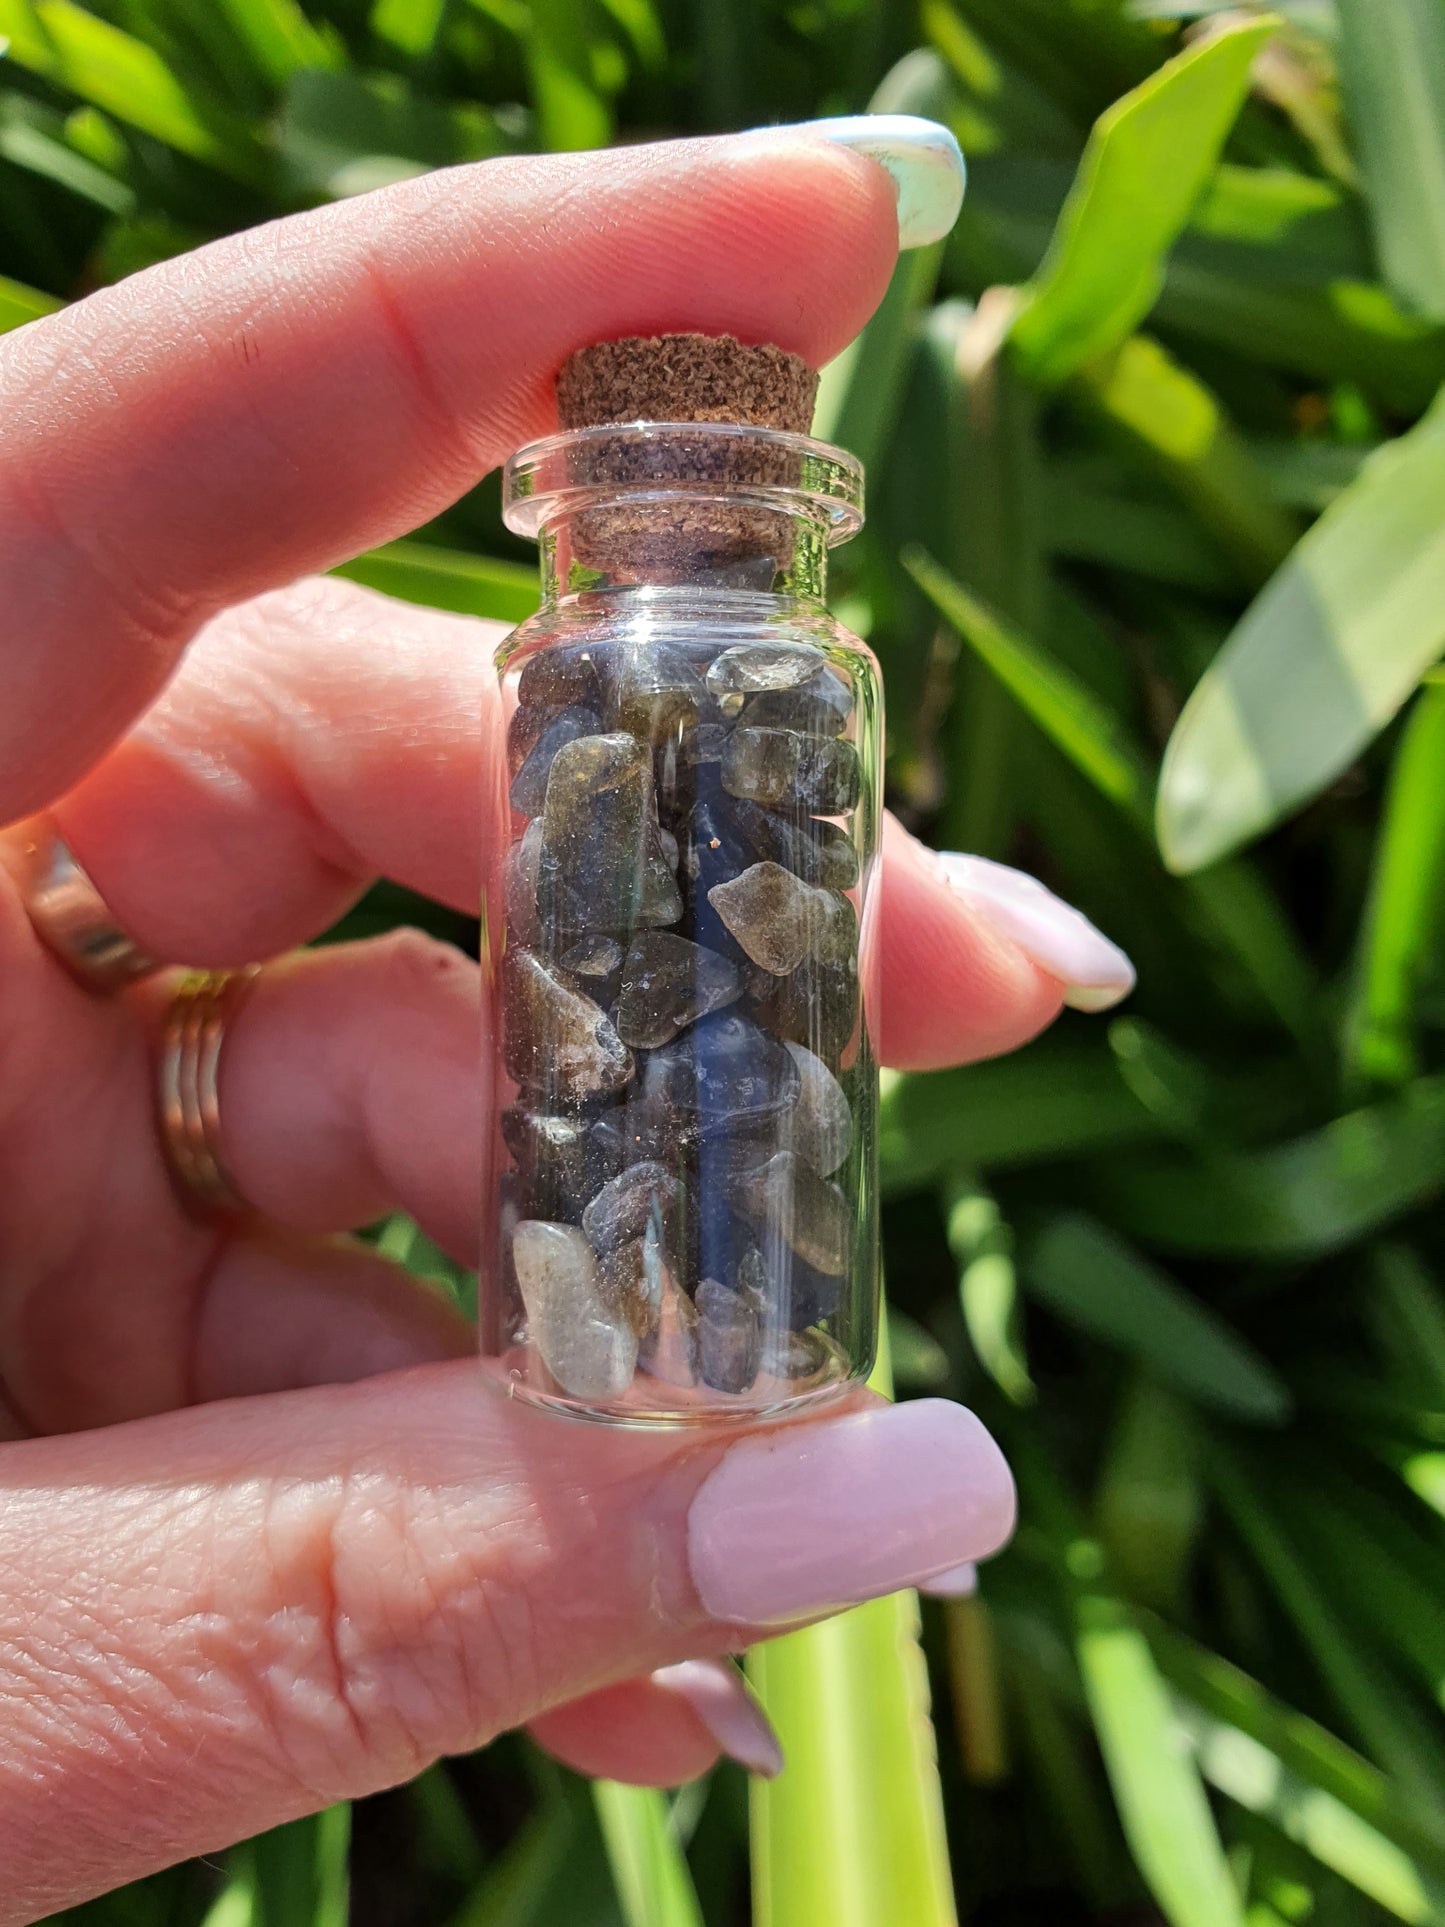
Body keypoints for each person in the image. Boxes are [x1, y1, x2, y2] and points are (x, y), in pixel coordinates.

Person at [0, 126, 1134, 1919]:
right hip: (580, 1332)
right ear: (569, 515)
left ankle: (696, 1352)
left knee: (742, 1136)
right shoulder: (565, 674)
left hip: (712, 1306)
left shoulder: (779, 672)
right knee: (636, 1160)